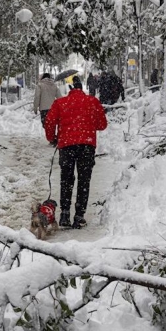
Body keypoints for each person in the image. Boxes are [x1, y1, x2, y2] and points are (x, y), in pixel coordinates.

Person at [44, 75, 108, 229]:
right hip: (86, 145)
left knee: (66, 179)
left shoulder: (60, 103)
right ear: (83, 90)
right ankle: (79, 216)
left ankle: (65, 214)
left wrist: (52, 138)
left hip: (66, 146)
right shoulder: (92, 102)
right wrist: (87, 125)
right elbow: (102, 124)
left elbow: (49, 122)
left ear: (71, 90)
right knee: (83, 180)